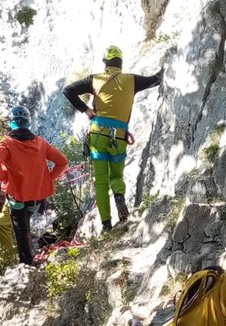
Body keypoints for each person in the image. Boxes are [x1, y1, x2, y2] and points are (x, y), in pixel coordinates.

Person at [63, 45, 163, 233]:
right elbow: (156, 79)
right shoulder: (132, 80)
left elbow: (68, 91)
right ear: (120, 63)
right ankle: (119, 198)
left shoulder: (95, 79)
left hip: (97, 134)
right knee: (116, 175)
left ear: (106, 63)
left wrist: (87, 110)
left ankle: (107, 225)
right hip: (118, 136)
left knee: (100, 181)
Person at [0, 107, 68, 265]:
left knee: (21, 231)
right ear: (28, 122)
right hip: (37, 197)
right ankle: (30, 257)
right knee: (25, 226)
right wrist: (48, 179)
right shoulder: (41, 143)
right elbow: (62, 162)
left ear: (11, 123)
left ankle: (26, 263)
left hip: (17, 195)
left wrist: (4, 178)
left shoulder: (7, 144)